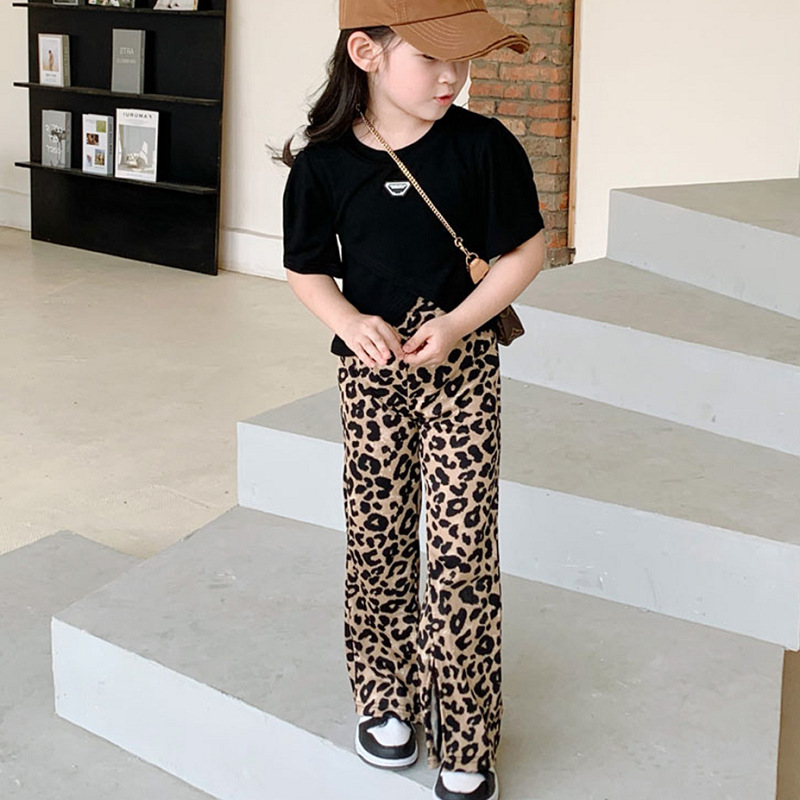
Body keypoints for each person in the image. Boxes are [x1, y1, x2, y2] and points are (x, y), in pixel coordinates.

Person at [277, 2, 546, 798]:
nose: (452, 75)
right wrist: (347, 320)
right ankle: (385, 698)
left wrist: (459, 324)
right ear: (365, 52)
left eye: (462, 58)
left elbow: (525, 249)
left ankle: (467, 739)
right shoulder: (323, 166)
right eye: (431, 57)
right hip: (372, 380)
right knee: (379, 540)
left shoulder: (484, 147)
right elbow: (304, 267)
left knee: (463, 555)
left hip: (463, 374)